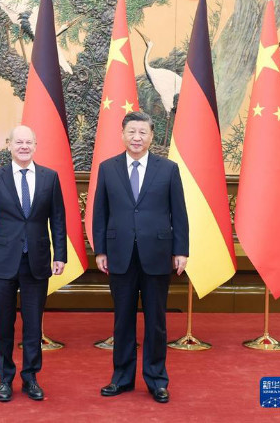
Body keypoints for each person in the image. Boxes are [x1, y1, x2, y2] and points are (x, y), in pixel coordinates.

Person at [93, 111, 189, 404]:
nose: (137, 137)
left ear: (151, 136)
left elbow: (179, 212)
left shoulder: (168, 169)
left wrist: (181, 250)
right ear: (122, 135)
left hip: (158, 255)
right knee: (122, 320)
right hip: (119, 254)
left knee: (156, 321)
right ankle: (121, 378)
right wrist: (100, 250)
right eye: (132, 132)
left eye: (142, 132)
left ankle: (157, 380)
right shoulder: (108, 168)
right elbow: (100, 213)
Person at [0, 125, 67, 403]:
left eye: (29, 142)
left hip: (37, 262)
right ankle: (5, 379)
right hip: (2, 262)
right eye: (19, 142)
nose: (24, 146)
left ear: (36, 145)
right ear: (10, 145)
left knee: (32, 325)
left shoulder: (50, 178)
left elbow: (58, 220)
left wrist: (59, 254)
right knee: (4, 323)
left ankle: (30, 377)